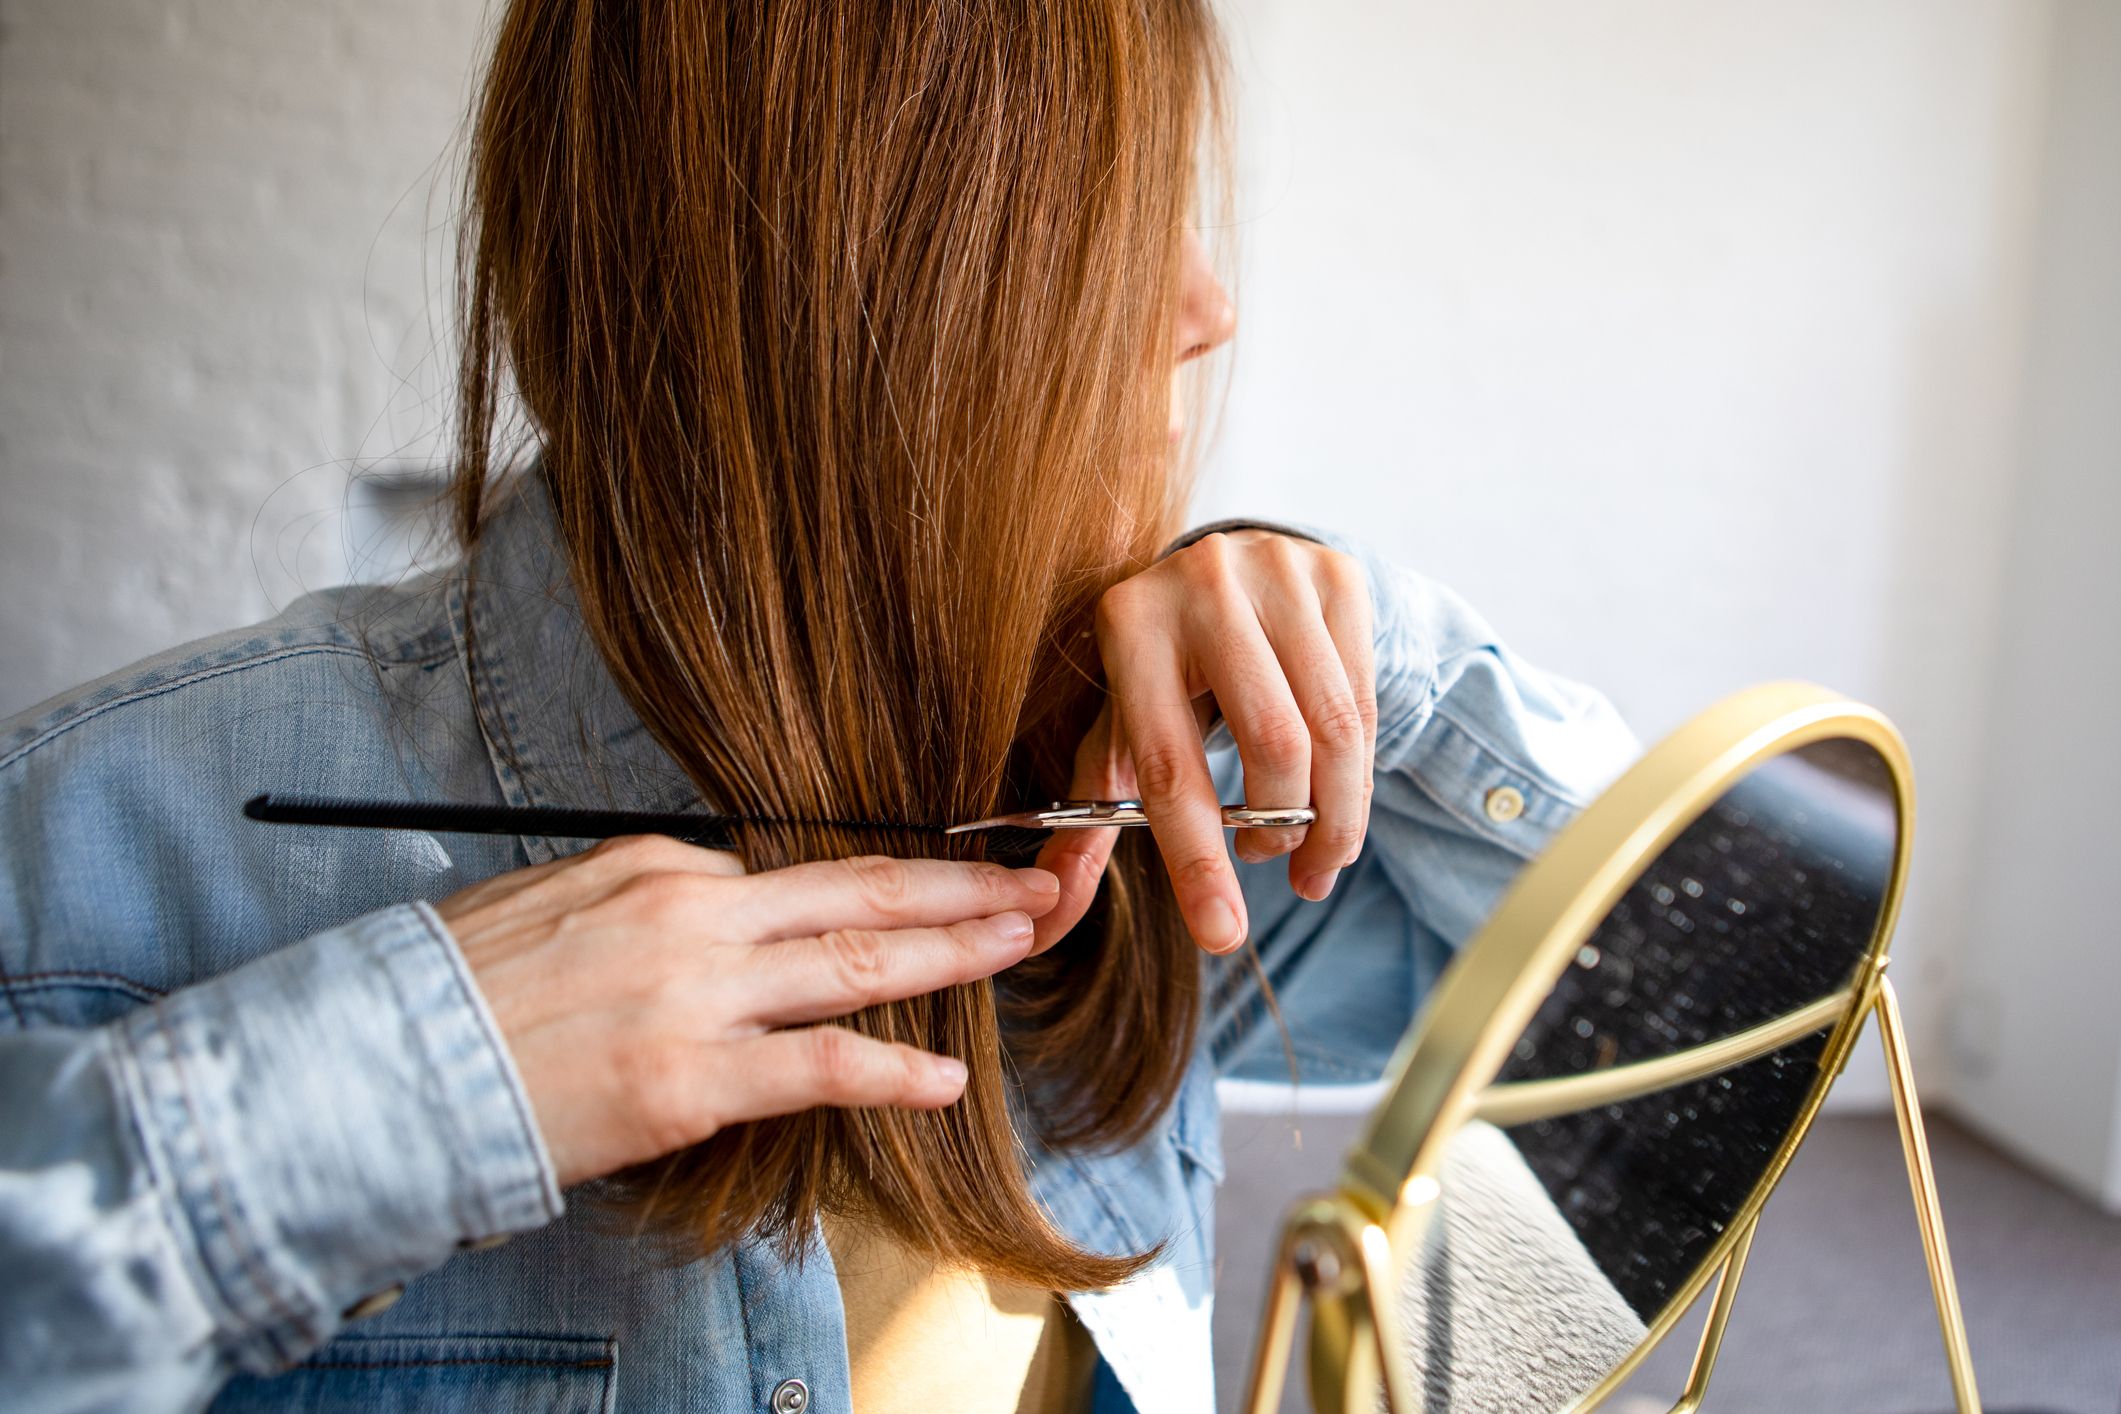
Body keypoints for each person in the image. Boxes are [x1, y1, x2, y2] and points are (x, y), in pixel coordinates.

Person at [0, 2, 1637, 1411]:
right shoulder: (92, 846)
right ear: (871, 299)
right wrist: (395, 1091)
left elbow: (1683, 1004)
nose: (1203, 305)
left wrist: (1385, 681)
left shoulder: (1111, 807)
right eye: (1109, 208)